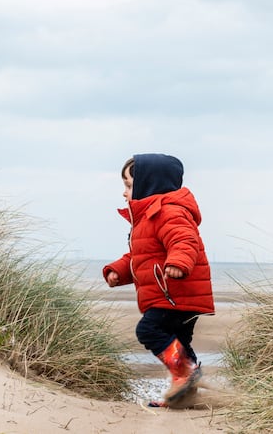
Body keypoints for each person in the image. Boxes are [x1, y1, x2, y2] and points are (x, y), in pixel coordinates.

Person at [103, 153, 214, 407]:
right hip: (176, 294)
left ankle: (184, 373)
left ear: (149, 184)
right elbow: (140, 257)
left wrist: (178, 263)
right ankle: (185, 395)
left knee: (148, 330)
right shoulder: (147, 218)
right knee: (180, 344)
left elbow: (184, 240)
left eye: (129, 185)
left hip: (174, 294)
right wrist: (118, 271)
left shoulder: (167, 212)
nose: (124, 193)